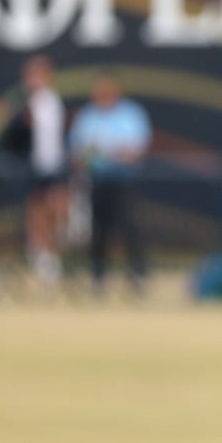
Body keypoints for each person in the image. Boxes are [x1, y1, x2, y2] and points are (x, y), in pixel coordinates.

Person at [67, 71, 152, 294]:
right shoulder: (87, 116)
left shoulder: (131, 114)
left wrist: (105, 154)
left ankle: (138, 276)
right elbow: (78, 153)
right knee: (98, 231)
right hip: (97, 181)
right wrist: (96, 156)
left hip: (125, 182)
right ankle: (98, 277)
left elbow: (135, 151)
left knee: (130, 228)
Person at [19, 55, 69, 284]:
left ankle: (50, 255)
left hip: (55, 165)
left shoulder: (54, 102)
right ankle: (41, 257)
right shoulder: (26, 105)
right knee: (37, 212)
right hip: (36, 167)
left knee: (58, 210)